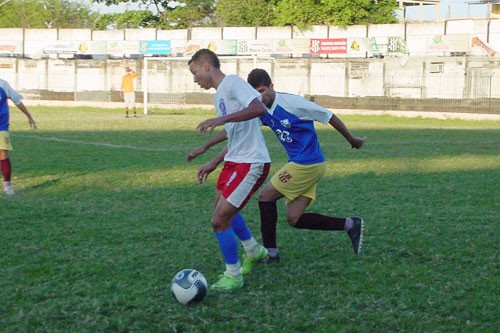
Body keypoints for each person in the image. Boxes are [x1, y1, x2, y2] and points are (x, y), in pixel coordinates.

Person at [196, 68, 366, 264]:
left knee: (265, 197)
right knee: (294, 218)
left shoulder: (293, 103)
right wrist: (210, 155)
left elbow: (329, 116)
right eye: (255, 93)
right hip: (303, 165)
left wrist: (352, 138)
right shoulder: (261, 110)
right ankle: (350, 224)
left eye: (262, 91)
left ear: (271, 86)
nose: (259, 96)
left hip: (307, 164)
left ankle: (271, 252)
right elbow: (236, 135)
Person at [186, 49, 270, 291]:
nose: (194, 79)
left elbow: (258, 109)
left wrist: (220, 120)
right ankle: (253, 250)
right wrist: (208, 154)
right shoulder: (219, 96)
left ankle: (233, 275)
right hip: (235, 159)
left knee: (219, 220)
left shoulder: (232, 83)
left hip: (251, 162)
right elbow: (232, 130)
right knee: (222, 213)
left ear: (206, 67)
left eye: (194, 73)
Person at [0, 78, 37, 195]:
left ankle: (7, 185)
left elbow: (17, 100)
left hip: (1, 126)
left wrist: (29, 116)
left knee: (3, 153)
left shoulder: (3, 84)